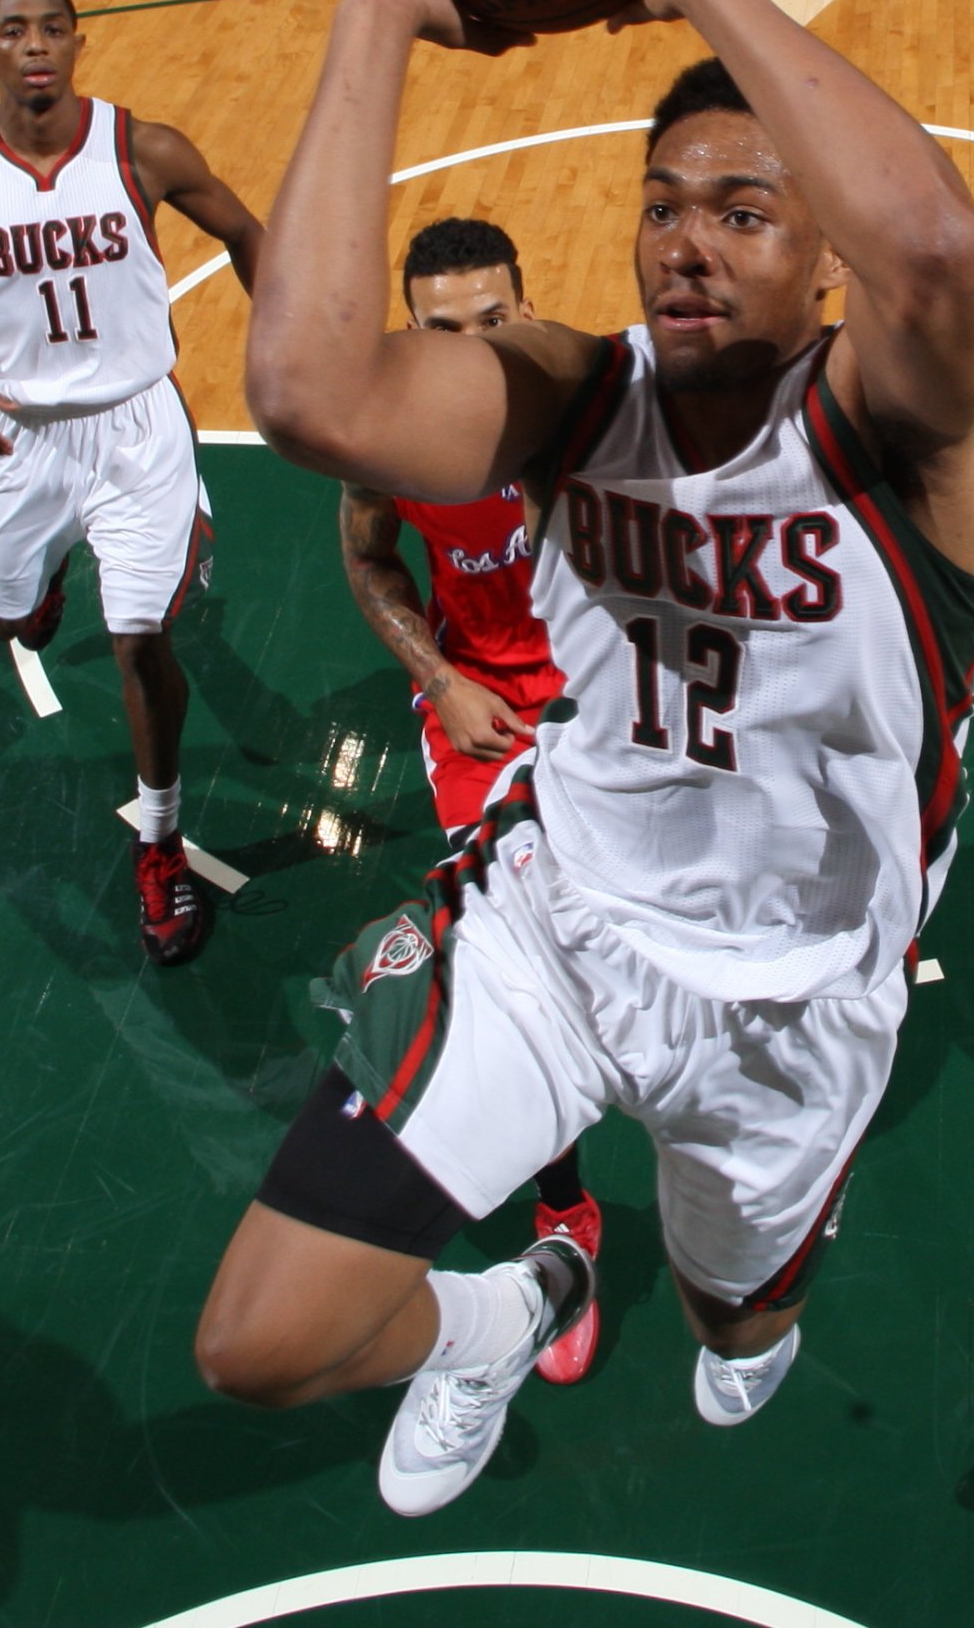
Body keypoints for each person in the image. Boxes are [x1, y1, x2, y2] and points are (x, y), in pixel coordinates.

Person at [197, 0, 974, 1518]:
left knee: (738, 1308)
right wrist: (384, 1)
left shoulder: (894, 439)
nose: (687, 240)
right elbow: (305, 388)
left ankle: (740, 1296)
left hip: (794, 994)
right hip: (556, 929)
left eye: (745, 207)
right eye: (661, 201)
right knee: (257, 1341)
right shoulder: (573, 395)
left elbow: (942, 257)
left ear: (821, 265)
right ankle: (493, 1315)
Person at [0, 0, 265, 965]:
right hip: (17, 434)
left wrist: (284, 336)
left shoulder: (140, 148)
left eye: (51, 29)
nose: (34, 46)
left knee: (140, 637)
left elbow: (242, 231)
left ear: (76, 42)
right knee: (6, 621)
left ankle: (158, 840)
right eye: (12, 31)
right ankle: (43, 576)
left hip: (135, 424)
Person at [337, 213, 596, 1386]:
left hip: (614, 693)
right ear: (409, 331)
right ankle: (565, 1217)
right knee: (522, 982)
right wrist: (437, 678)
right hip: (484, 710)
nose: (469, 346)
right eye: (441, 328)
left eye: (492, 321)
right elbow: (368, 555)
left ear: (527, 312)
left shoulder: (591, 405)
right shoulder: (385, 430)